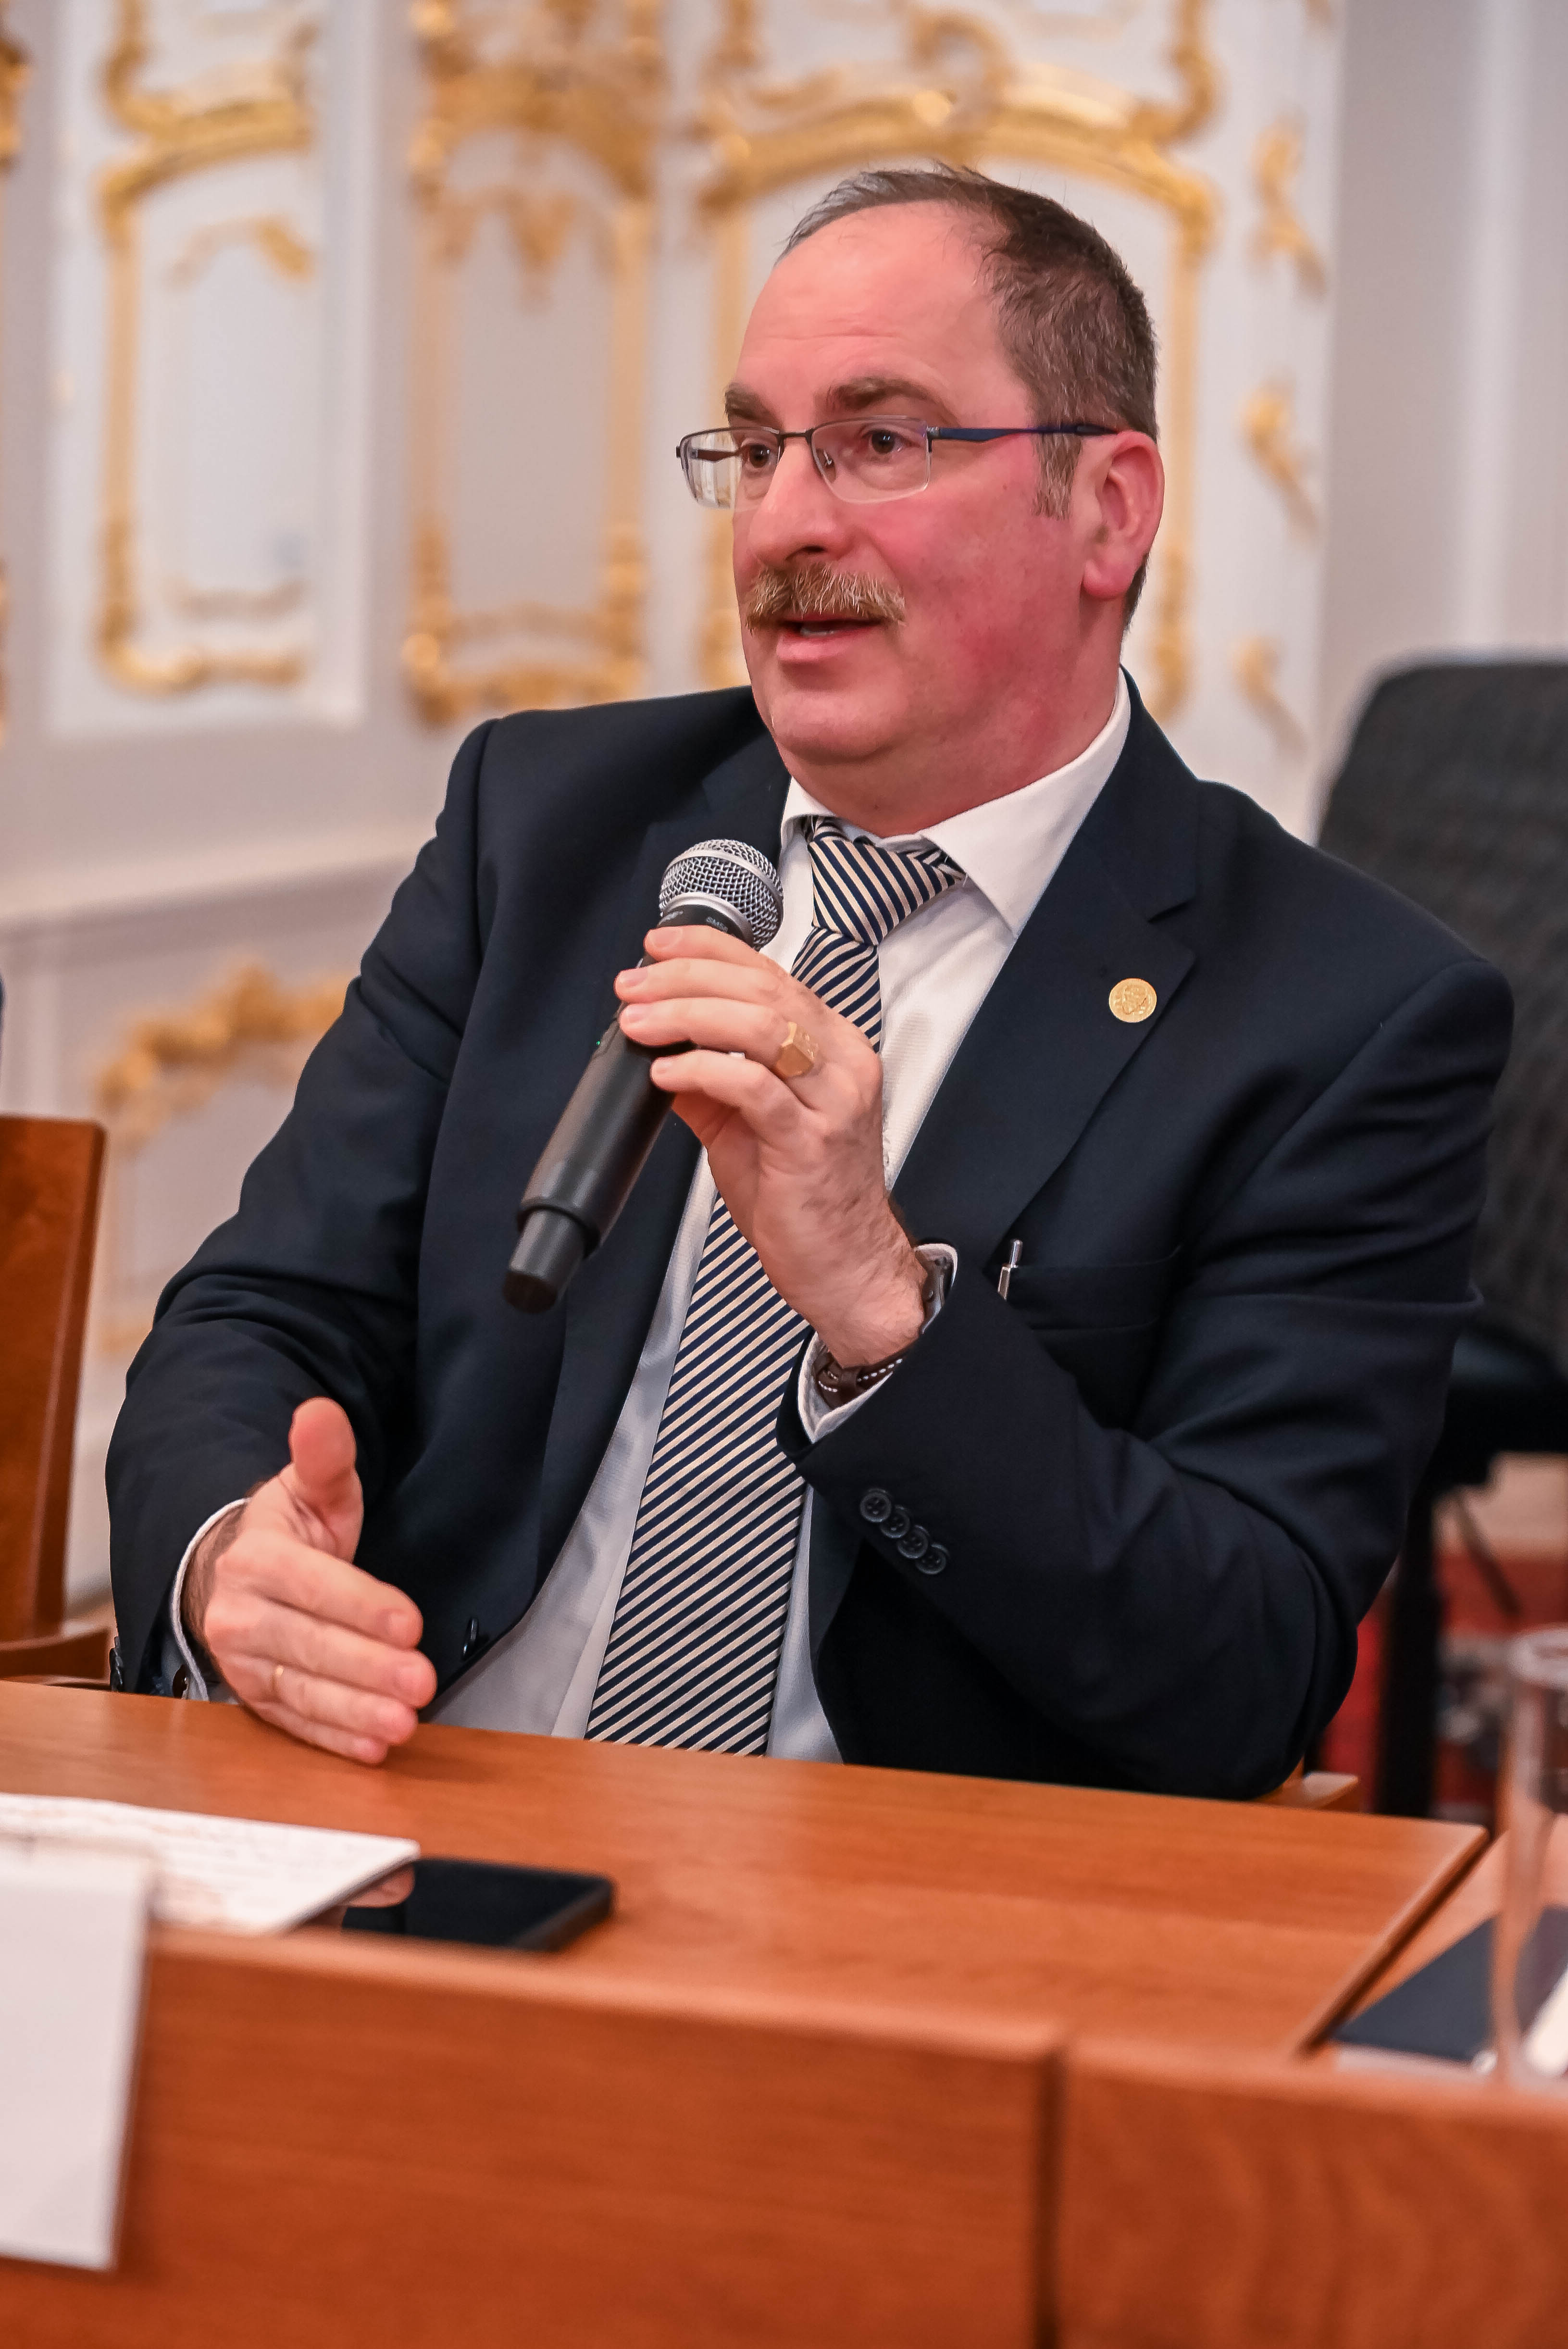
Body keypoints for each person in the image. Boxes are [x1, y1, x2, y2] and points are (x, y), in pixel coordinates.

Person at [108, 167, 1510, 1797]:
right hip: (426, 1799)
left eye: (881, 440)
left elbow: (1240, 1671)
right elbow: (263, 1313)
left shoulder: (1345, 1014)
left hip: (900, 1882)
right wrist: (233, 1559)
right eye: (755, 448)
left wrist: (882, 1309)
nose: (783, 524)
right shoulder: (544, 827)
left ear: (1109, 510)